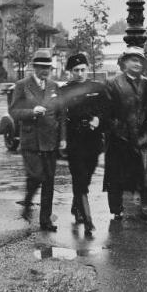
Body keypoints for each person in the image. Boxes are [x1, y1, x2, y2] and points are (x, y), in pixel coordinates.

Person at [103, 47, 147, 221]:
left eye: (140, 61)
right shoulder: (113, 83)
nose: (137, 64)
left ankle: (146, 207)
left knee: (144, 176)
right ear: (123, 63)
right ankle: (116, 209)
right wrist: (117, 130)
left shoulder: (145, 83)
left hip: (140, 138)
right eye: (133, 60)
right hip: (118, 139)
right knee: (116, 176)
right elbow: (107, 113)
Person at [10, 49, 61, 231]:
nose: (45, 71)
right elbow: (14, 112)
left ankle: (45, 221)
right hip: (31, 140)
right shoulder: (22, 85)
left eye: (48, 67)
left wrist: (62, 138)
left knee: (48, 181)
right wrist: (32, 112)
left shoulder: (54, 86)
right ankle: (29, 199)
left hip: (50, 140)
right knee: (36, 175)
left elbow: (61, 113)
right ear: (34, 67)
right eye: (41, 67)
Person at [59, 53, 107, 235]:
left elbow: (106, 110)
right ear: (70, 72)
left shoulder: (98, 88)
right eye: (76, 70)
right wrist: (62, 139)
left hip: (93, 141)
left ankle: (76, 204)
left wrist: (98, 119)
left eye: (83, 69)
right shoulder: (65, 91)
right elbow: (62, 116)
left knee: (86, 177)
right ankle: (88, 220)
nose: (80, 73)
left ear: (88, 69)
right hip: (75, 140)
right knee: (79, 177)